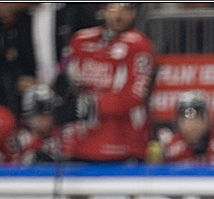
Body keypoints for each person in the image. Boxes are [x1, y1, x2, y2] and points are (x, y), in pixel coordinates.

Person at [59, 2, 154, 162]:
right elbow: (64, 77)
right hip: (81, 144)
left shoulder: (138, 45)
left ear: (134, 14)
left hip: (124, 144)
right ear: (103, 11)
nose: (119, 15)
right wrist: (63, 93)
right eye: (114, 8)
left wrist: (91, 105)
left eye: (125, 9)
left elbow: (135, 95)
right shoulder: (80, 40)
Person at [162, 91, 214, 164]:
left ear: (207, 119)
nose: (190, 127)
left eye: (196, 120)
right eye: (184, 121)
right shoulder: (171, 149)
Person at [17, 83, 65, 163]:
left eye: (47, 114)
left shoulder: (65, 136)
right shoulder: (21, 140)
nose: (43, 119)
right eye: (38, 114)